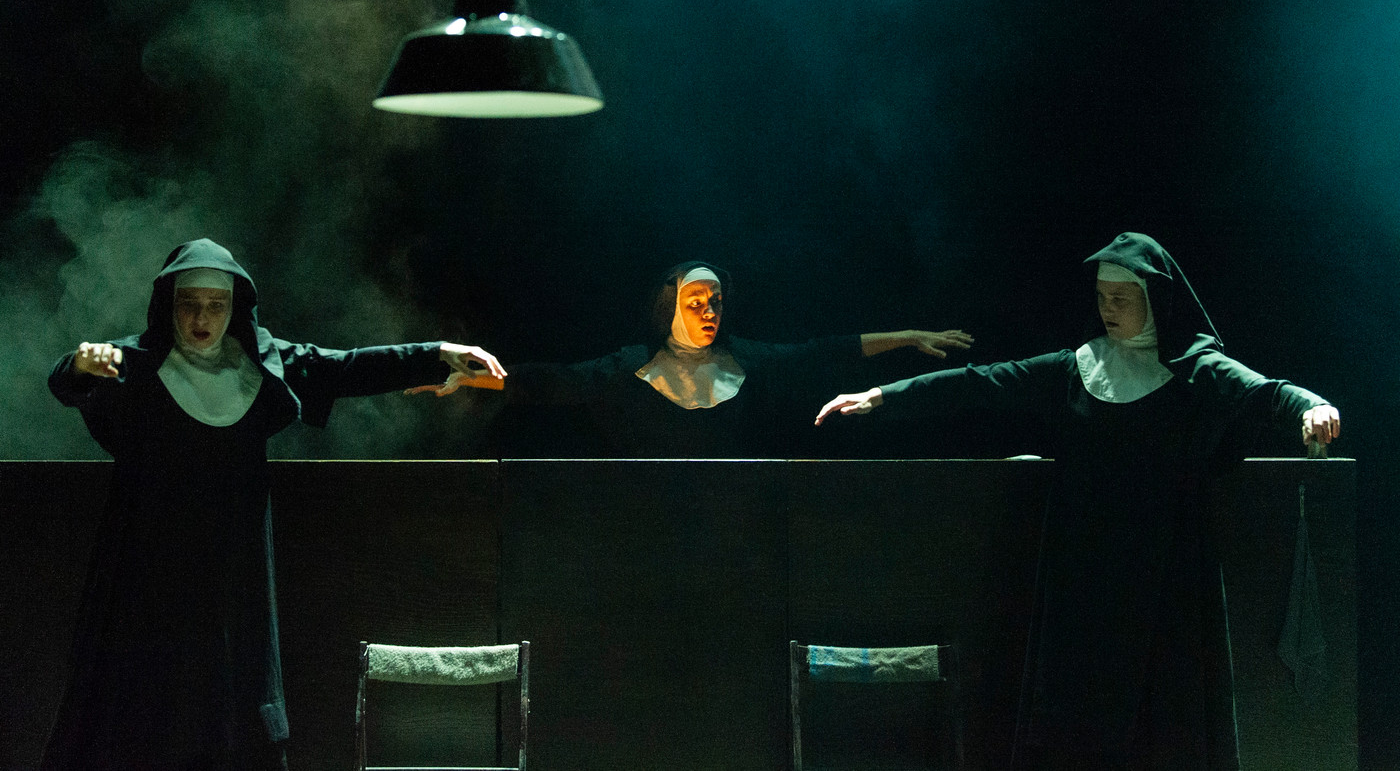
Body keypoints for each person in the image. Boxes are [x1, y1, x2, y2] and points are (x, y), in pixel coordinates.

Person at [813, 232, 1340, 771]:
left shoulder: (1195, 368)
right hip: (1081, 573)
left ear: (1155, 300)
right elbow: (980, 383)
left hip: (1163, 573)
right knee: (1078, 717)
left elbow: (1267, 392)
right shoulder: (1077, 367)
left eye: (1122, 298)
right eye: (1102, 297)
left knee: (1163, 716)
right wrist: (882, 396)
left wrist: (1312, 407)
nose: (1109, 309)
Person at [41, 238, 505, 771]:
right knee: (142, 711)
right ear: (168, 305)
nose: (201, 318)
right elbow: (65, 379)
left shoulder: (262, 365)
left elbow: (347, 368)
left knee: (232, 708)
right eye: (189, 304)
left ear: (234, 307)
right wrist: (80, 366)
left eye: (216, 305)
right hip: (149, 573)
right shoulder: (139, 363)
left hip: (232, 577)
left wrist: (439, 353)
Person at [416, 260, 973, 457]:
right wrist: (470, 380)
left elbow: (822, 354)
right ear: (671, 307)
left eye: (716, 301)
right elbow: (550, 383)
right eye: (696, 301)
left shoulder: (747, 360)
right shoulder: (632, 365)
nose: (709, 311)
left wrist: (905, 336)